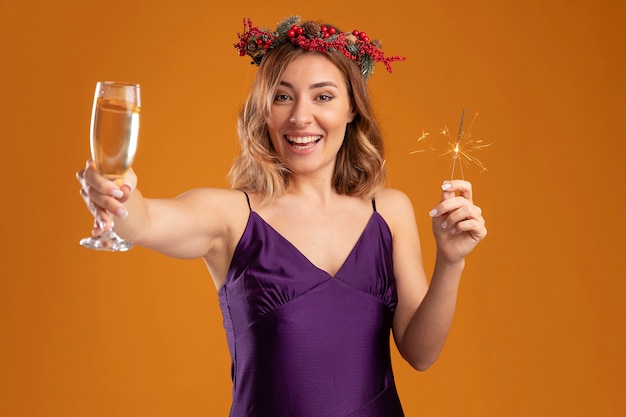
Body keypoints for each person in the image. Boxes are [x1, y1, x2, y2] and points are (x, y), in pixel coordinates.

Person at [77, 16, 487, 417]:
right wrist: (117, 192)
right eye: (282, 96)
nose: (300, 117)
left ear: (351, 109)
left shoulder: (390, 211)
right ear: (263, 110)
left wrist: (451, 261)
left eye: (323, 96)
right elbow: (145, 221)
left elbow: (420, 353)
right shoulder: (231, 217)